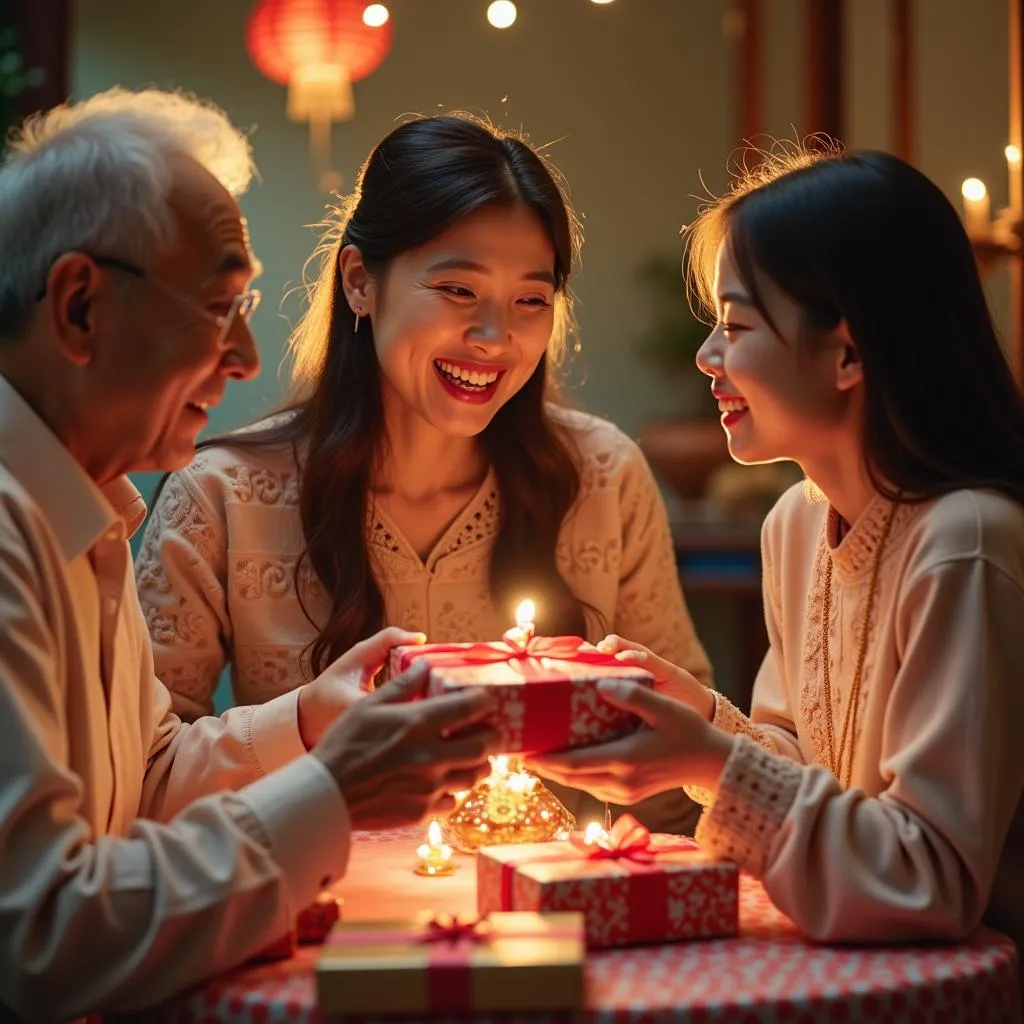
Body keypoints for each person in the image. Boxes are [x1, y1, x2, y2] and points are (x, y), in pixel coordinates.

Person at [0, 87, 499, 1022]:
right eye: (219, 306)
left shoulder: (85, 511)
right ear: (78, 306)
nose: (247, 355)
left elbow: (143, 781)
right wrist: (337, 788)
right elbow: (38, 935)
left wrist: (308, 721)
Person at [134, 112, 711, 833]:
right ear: (359, 282)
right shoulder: (222, 495)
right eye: (459, 291)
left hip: (545, 925)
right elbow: (144, 780)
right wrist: (306, 726)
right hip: (313, 914)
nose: (495, 338)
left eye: (530, 300)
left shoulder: (601, 475)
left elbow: (680, 791)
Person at [527, 147, 1024, 963]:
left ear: (849, 353)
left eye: (738, 325)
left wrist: (709, 759)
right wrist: (699, 719)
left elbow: (929, 879)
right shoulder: (796, 522)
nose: (707, 358)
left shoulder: (965, 543)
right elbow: (806, 768)